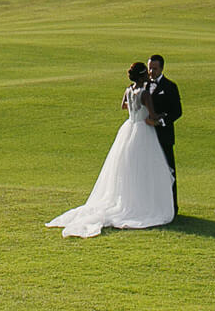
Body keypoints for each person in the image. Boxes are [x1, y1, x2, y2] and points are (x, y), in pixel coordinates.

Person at [46, 61, 175, 237]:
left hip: (129, 127)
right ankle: (143, 204)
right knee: (145, 167)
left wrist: (134, 110)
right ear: (143, 75)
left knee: (127, 168)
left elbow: (124, 105)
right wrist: (159, 116)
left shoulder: (129, 90)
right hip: (143, 130)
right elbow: (152, 115)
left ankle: (131, 200)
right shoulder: (144, 94)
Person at [146, 53, 181, 214]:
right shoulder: (143, 85)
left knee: (168, 172)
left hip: (164, 136)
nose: (151, 72)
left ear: (161, 68)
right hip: (146, 136)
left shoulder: (170, 86)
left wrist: (160, 121)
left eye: (154, 69)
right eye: (149, 68)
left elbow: (177, 112)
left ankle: (172, 207)